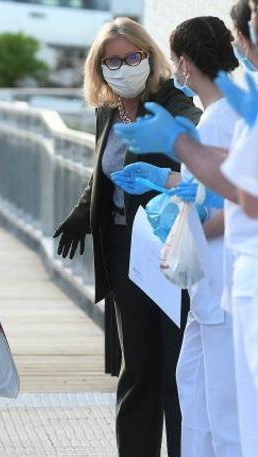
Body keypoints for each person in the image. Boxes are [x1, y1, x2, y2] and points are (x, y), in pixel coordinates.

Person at [113, 2, 258, 455]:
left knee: (224, 410)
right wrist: (167, 181)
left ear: (185, 63)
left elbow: (229, 201)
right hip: (210, 286)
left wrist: (182, 221)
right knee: (192, 389)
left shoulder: (219, 119)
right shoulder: (223, 115)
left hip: (220, 281)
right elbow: (213, 183)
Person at [53, 17, 201, 457]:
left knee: (175, 367)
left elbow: (199, 154)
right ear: (99, 69)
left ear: (149, 56)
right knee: (136, 367)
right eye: (112, 61)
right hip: (122, 254)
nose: (123, 67)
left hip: (168, 252)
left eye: (131, 57)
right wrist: (82, 215)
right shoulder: (109, 112)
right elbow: (106, 176)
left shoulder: (174, 104)